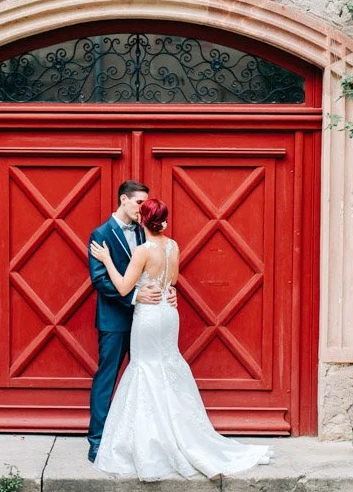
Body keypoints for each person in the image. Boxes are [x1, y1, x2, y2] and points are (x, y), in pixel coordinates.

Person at [89, 197, 274, 481]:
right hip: (167, 312)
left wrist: (108, 260)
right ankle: (178, 434)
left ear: (144, 220)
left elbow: (124, 285)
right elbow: (171, 283)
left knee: (146, 369)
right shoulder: (173, 246)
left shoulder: (142, 249)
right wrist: (165, 291)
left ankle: (155, 441)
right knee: (166, 365)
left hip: (149, 316)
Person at [86, 181, 178, 463]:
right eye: (139, 202)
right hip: (115, 319)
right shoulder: (100, 234)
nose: (143, 208)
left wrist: (169, 290)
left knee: (148, 378)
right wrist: (136, 296)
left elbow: (159, 268)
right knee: (108, 378)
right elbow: (100, 279)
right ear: (123, 200)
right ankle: (97, 440)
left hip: (148, 322)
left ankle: (145, 439)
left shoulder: (147, 230)